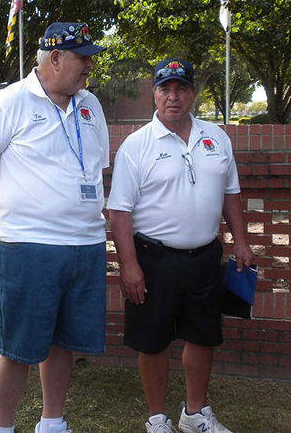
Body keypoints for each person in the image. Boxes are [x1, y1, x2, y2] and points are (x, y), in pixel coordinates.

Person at [0, 22, 109, 433]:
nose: (89, 66)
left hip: (85, 244)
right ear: (55, 58)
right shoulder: (10, 101)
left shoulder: (90, 105)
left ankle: (52, 422)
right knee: (18, 348)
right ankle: (4, 428)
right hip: (27, 246)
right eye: (82, 57)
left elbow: (98, 168)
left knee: (64, 341)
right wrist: (9, 203)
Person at [108, 59, 253, 433]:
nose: (173, 97)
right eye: (165, 89)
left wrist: (241, 241)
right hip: (153, 260)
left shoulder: (216, 137)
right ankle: (157, 419)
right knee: (153, 342)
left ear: (193, 93)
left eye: (181, 89)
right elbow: (119, 213)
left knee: (203, 336)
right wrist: (128, 265)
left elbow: (231, 193)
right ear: (154, 95)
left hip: (205, 256)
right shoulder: (136, 146)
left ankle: (195, 414)